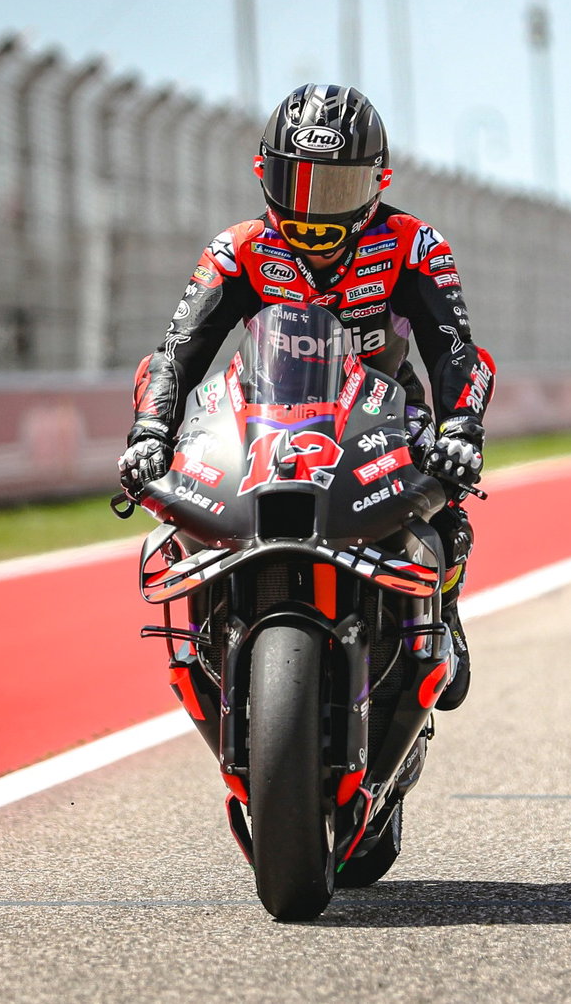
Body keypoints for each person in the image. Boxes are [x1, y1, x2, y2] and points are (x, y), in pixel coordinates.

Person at [116, 82, 496, 696]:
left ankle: (442, 612)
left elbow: (455, 350)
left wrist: (460, 431)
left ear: (378, 182)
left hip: (384, 413)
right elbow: (176, 353)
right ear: (264, 173)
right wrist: (150, 432)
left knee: (444, 507)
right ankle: (213, 637)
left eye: (336, 188)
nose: (314, 211)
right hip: (264, 413)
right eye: (298, 184)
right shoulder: (236, 249)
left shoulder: (414, 245)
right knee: (187, 515)